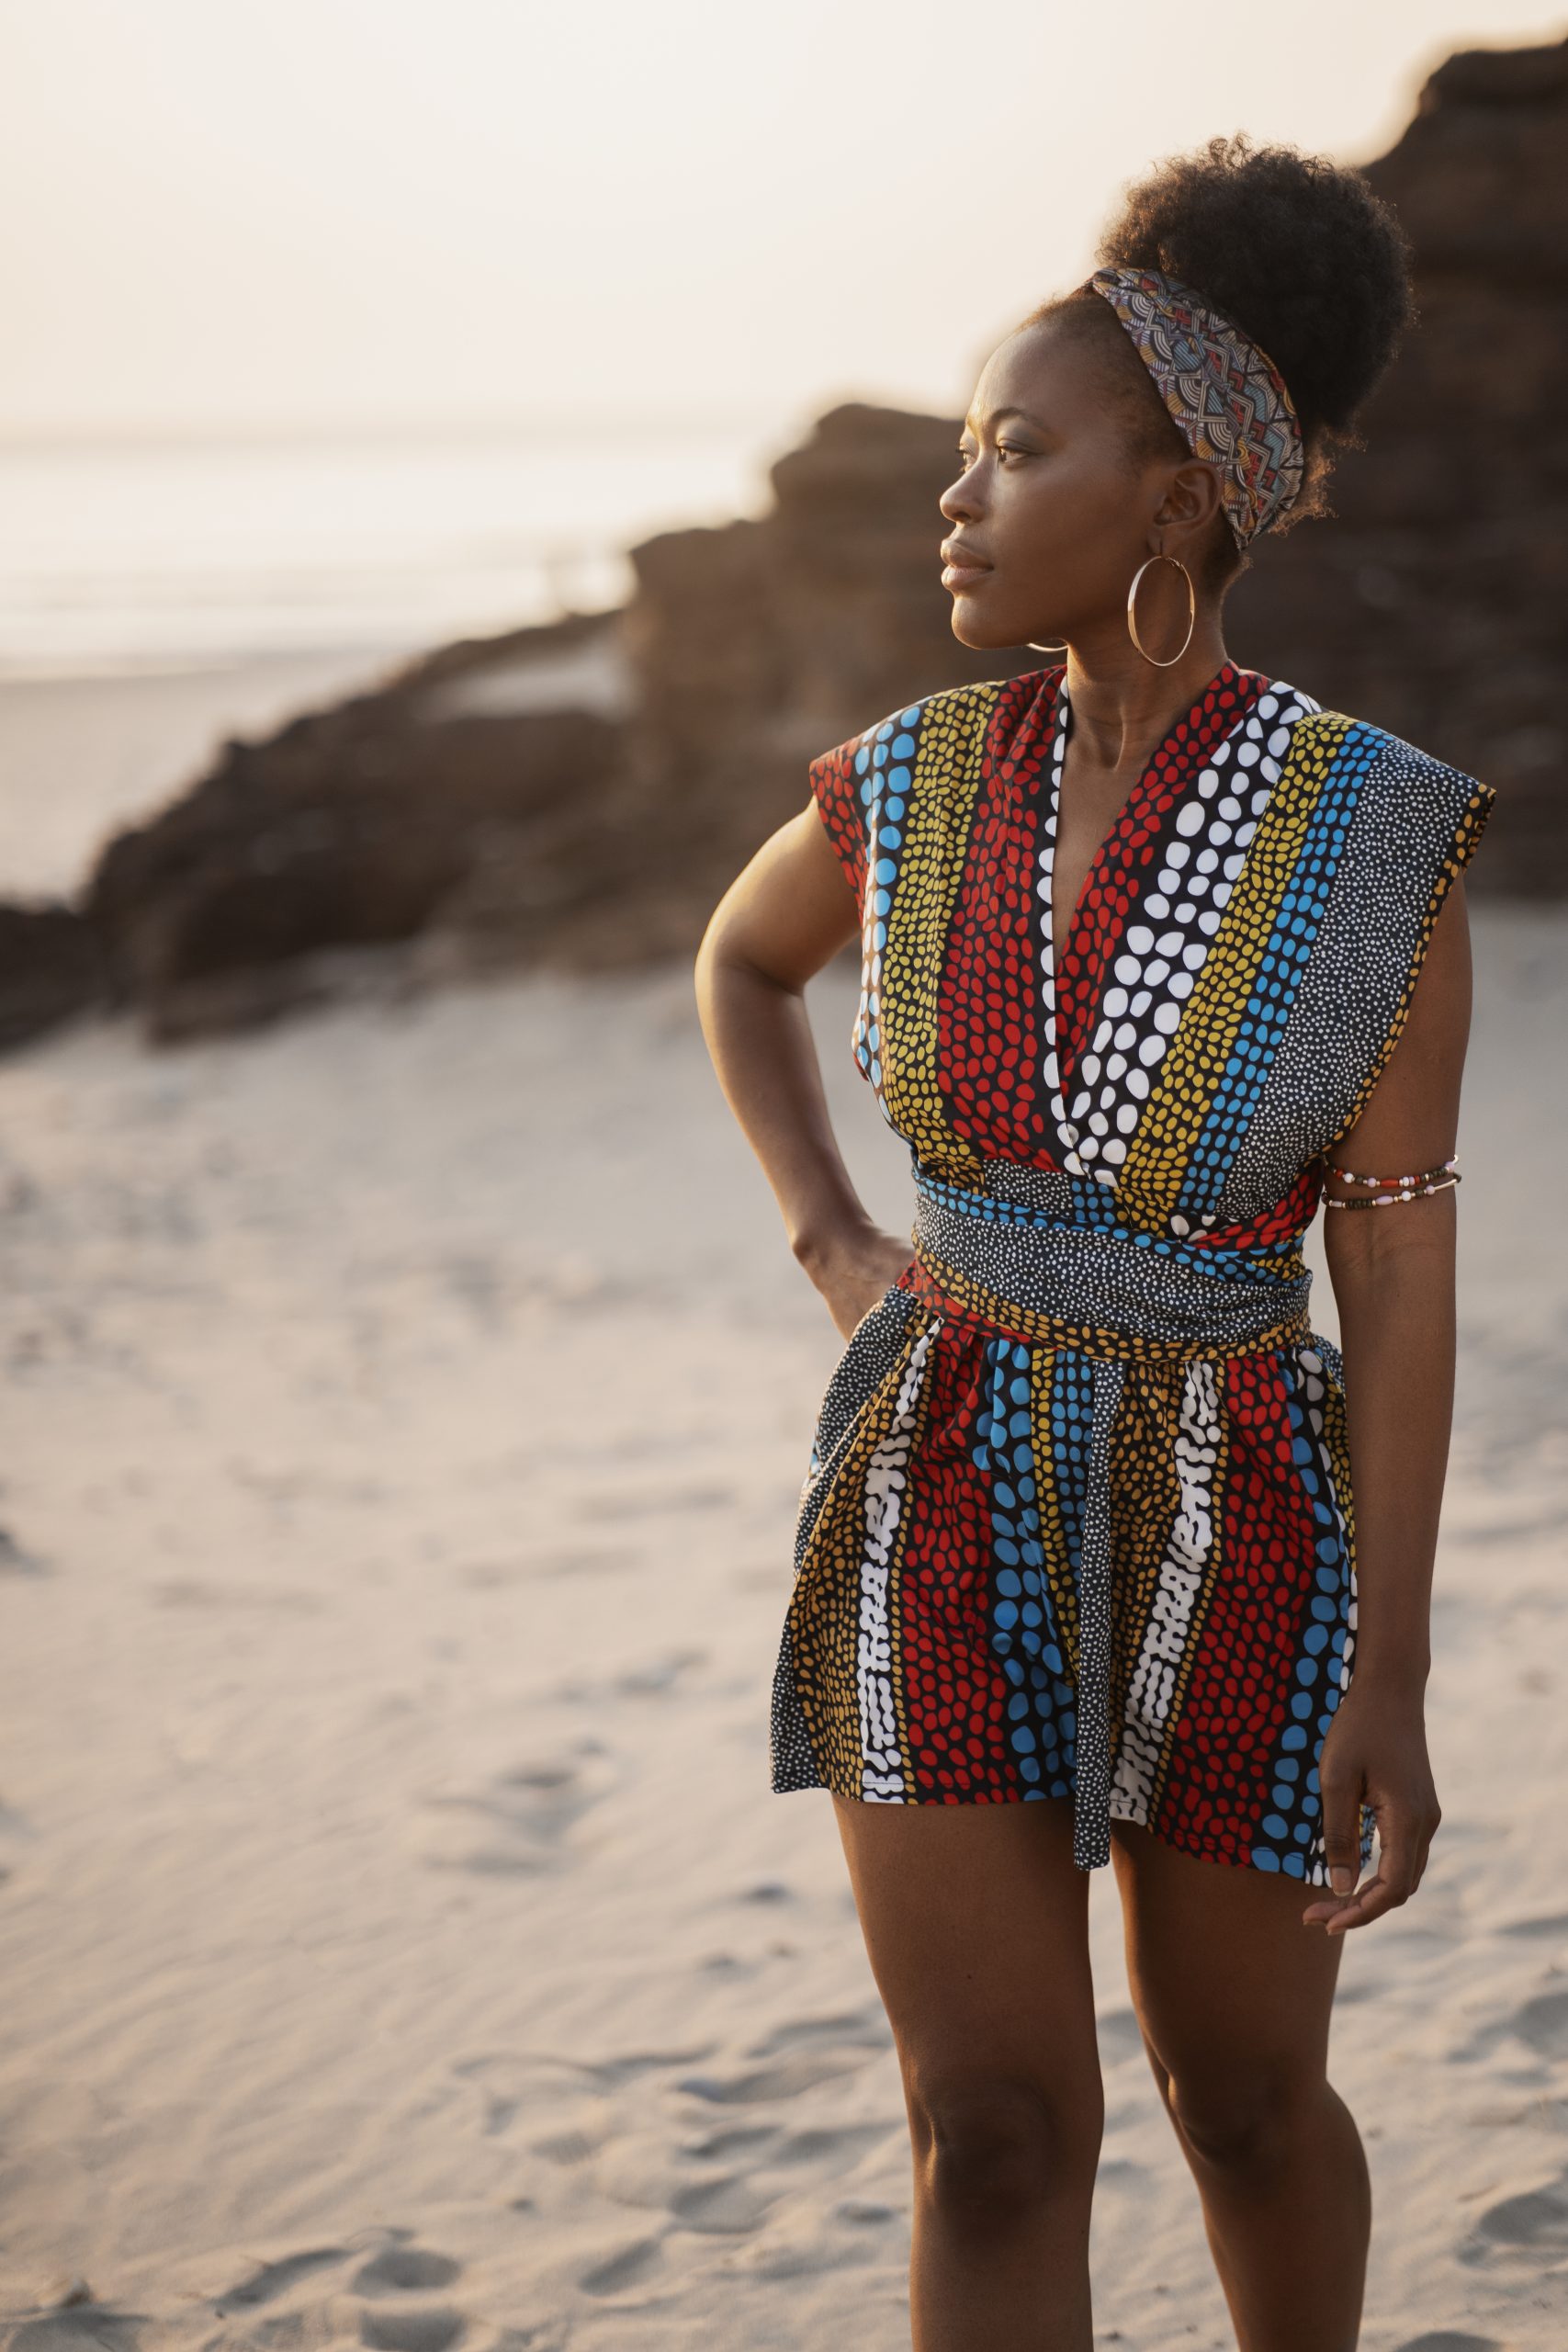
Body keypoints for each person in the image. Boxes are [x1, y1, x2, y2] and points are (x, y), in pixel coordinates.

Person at [693, 132, 1493, 2352]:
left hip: (1245, 1506)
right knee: (989, 2127)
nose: (954, 495)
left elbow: (1399, 1268)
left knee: (1242, 2098)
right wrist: (832, 1241)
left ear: (1170, 494)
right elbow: (737, 966)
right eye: (962, 448)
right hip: (928, 1478)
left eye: (1010, 448)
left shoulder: (1374, 840)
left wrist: (1396, 1672)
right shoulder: (904, 781)